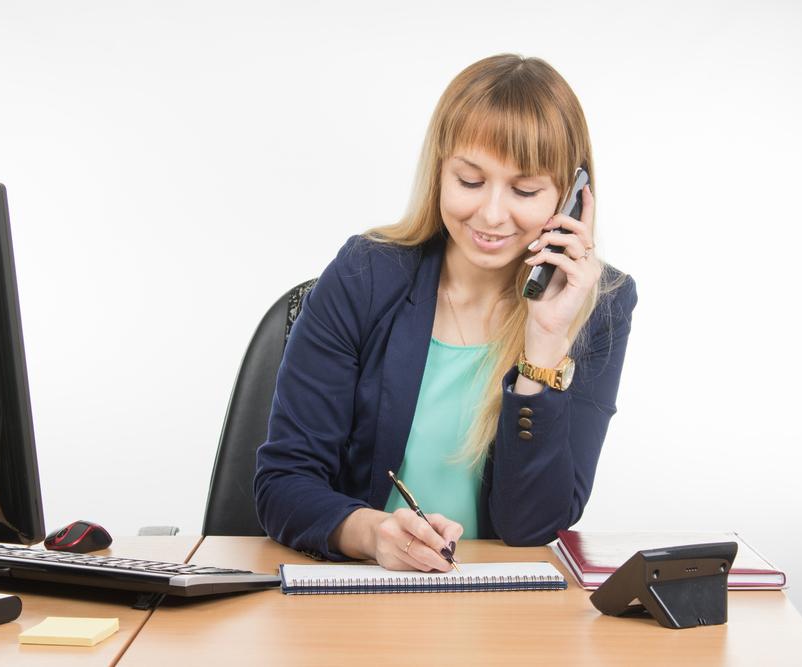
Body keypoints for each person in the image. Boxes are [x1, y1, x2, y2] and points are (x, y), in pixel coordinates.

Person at [254, 53, 637, 573]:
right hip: (359, 593)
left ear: (571, 199)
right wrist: (372, 534)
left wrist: (544, 341)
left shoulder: (601, 306)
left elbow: (533, 529)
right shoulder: (365, 274)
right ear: (439, 172)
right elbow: (283, 482)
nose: (492, 214)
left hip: (500, 615)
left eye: (524, 190)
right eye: (471, 181)